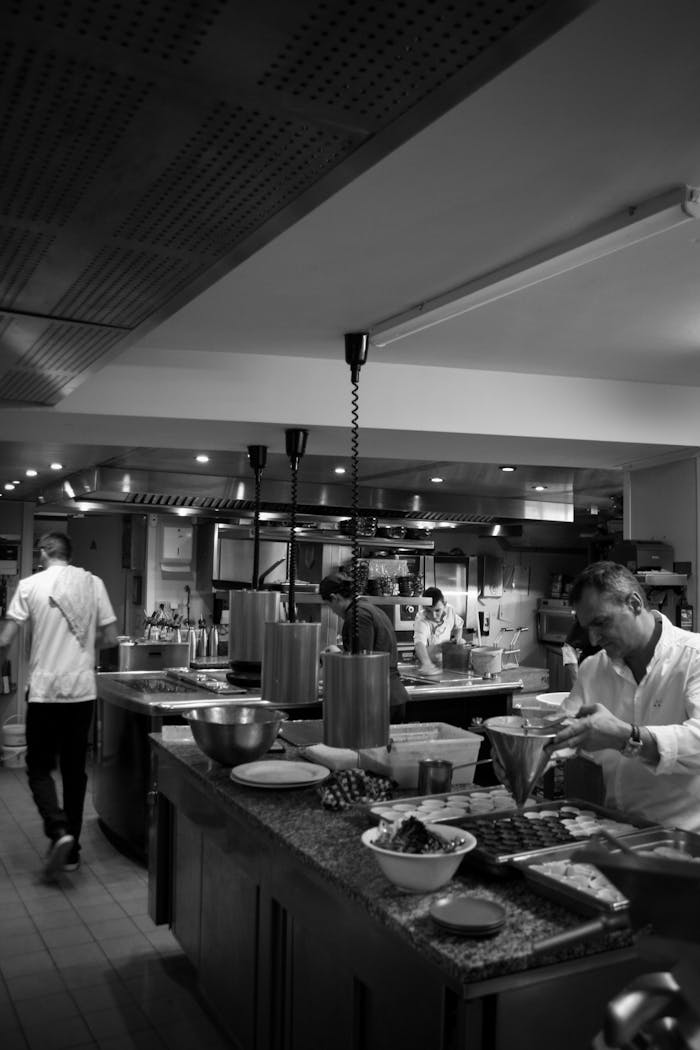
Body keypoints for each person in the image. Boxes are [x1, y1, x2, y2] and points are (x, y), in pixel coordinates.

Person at [0, 532, 118, 879]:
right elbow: (110, 638)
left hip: (45, 692)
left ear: (44, 552)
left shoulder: (29, 585)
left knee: (38, 768)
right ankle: (71, 852)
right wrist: (82, 646)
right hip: (82, 692)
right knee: (73, 770)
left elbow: (6, 639)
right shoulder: (93, 583)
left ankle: (58, 830)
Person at [549, 560, 700, 831]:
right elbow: (563, 731)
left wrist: (625, 736)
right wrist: (528, 752)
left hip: (685, 841)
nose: (594, 640)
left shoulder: (693, 658)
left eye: (601, 623)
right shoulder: (594, 669)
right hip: (619, 832)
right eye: (588, 629)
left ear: (634, 604)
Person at [319, 570, 409, 721]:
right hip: (388, 696)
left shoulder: (357, 616)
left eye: (329, 605)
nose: (333, 612)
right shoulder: (368, 609)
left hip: (377, 699)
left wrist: (336, 655)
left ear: (335, 598)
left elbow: (361, 664)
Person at [413, 586, 465, 675]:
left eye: (437, 610)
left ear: (444, 605)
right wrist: (427, 664)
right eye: (428, 611)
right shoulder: (421, 619)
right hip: (426, 663)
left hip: (446, 665)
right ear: (423, 608)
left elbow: (459, 625)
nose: (433, 615)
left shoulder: (450, 610)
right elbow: (419, 643)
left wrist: (458, 638)